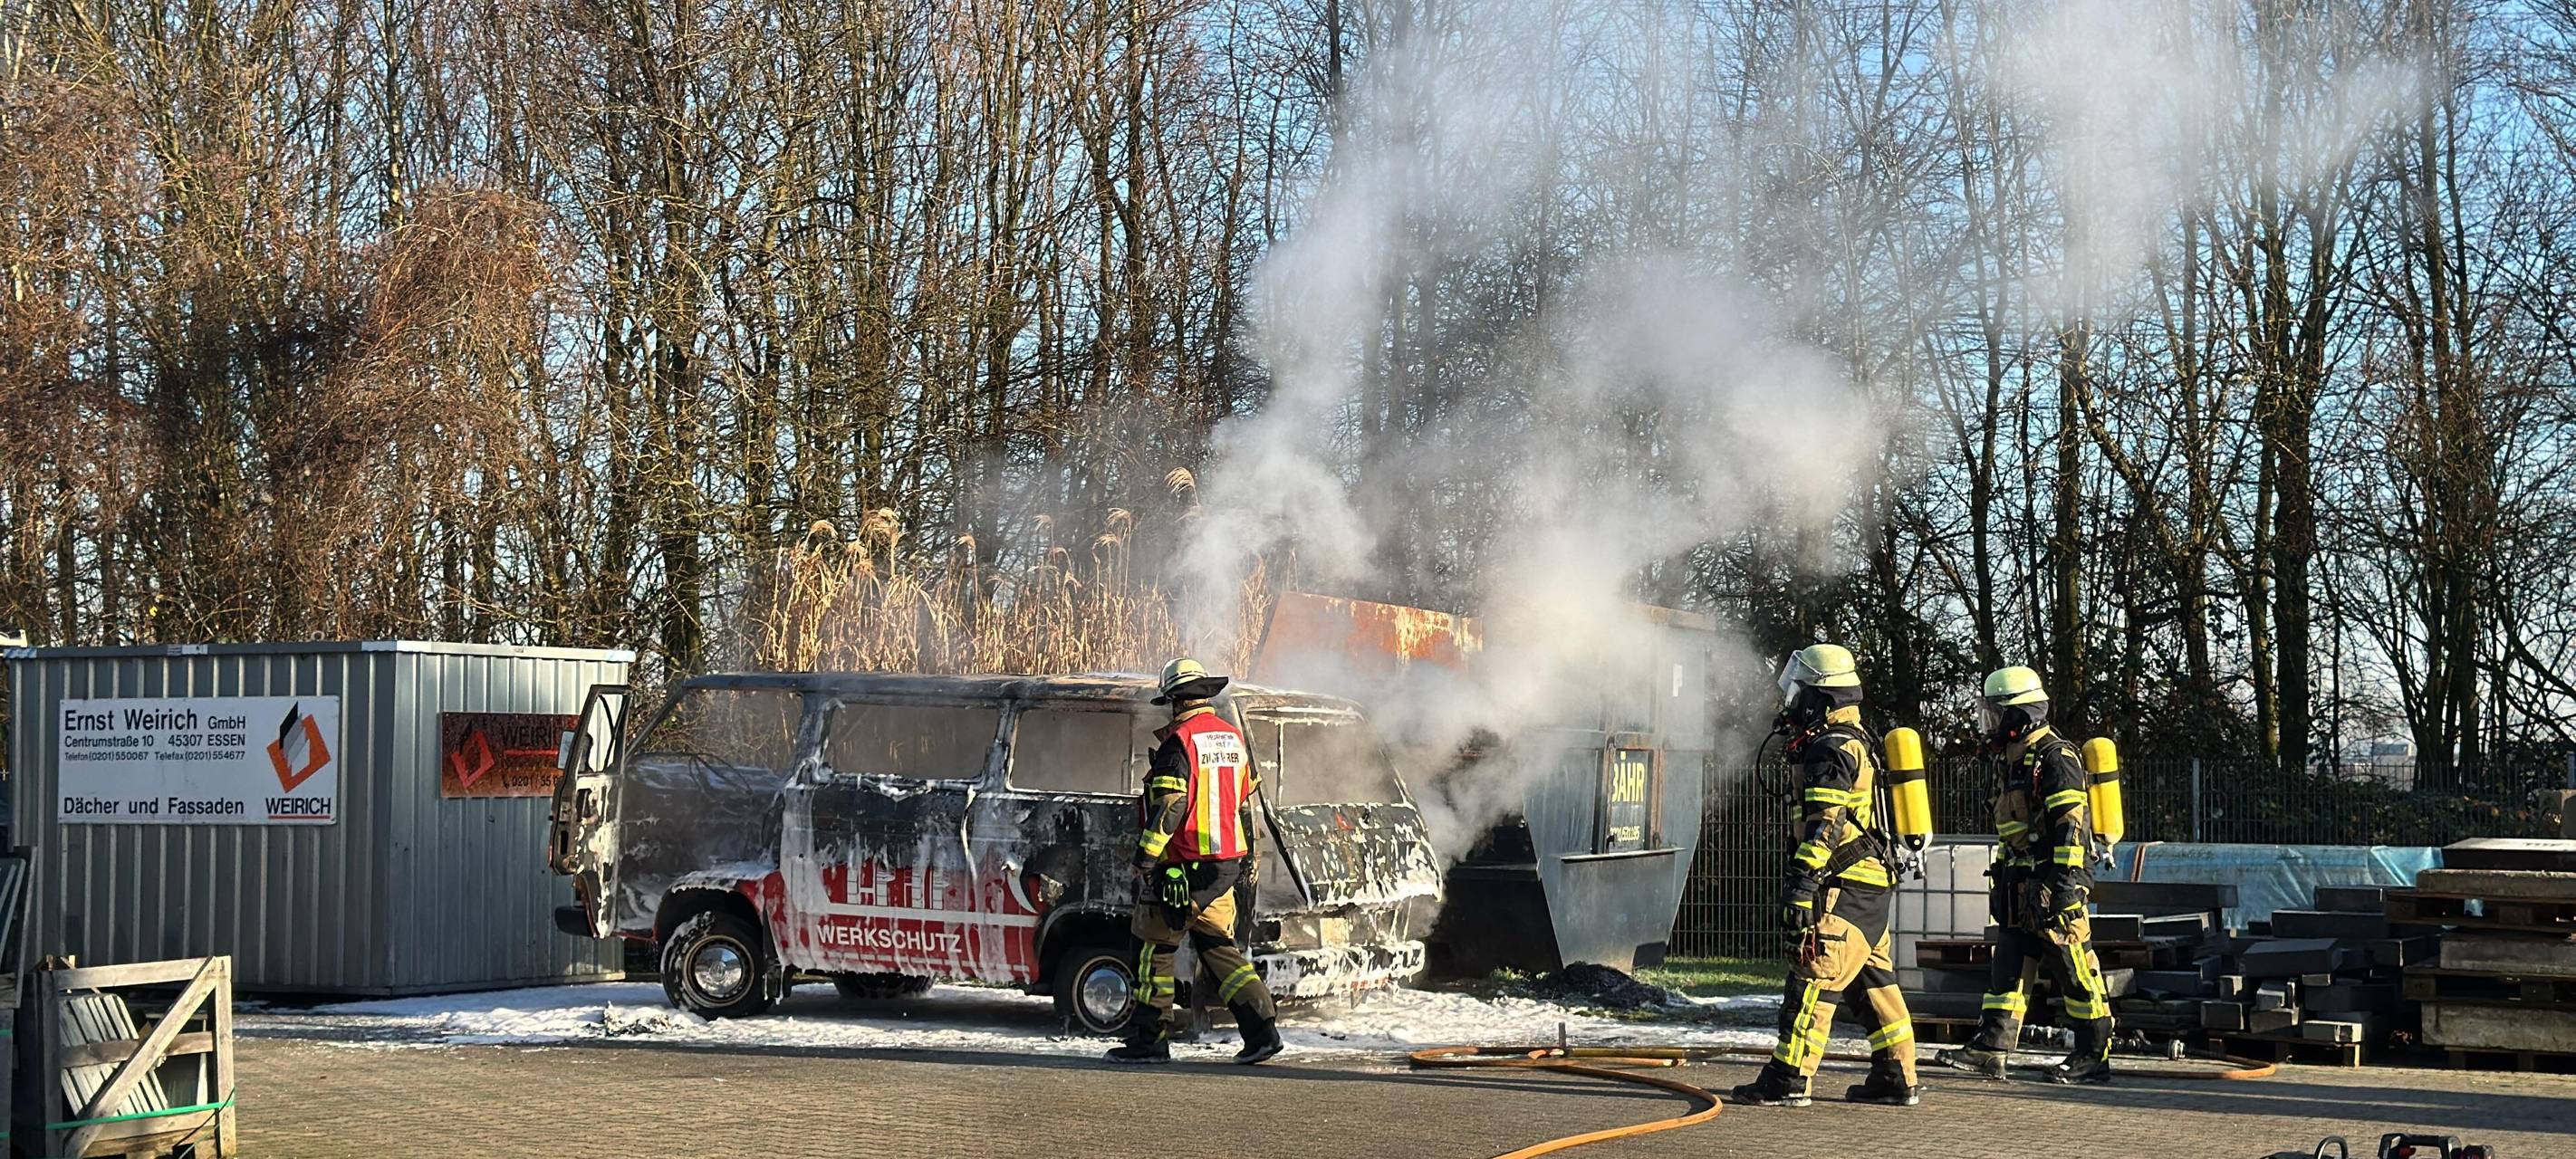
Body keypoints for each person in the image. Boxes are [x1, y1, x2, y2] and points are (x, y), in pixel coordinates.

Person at [1729, 644, 1921, 1107]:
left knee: (1813, 975)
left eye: (1799, 693)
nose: (1791, 703)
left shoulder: (1830, 749)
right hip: (1869, 886)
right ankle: (1896, 1076)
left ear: (1822, 700)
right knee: (1873, 983)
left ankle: (1790, 1077)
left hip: (1843, 886)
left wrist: (1803, 884)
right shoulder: (1857, 740)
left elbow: (1825, 824)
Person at [1932, 666, 2116, 1085]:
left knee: (2072, 965)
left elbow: (2071, 827)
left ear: (2020, 716)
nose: (1990, 724)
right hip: (2021, 882)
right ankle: (1991, 1048)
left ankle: (2094, 1053)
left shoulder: (2056, 757)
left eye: (1997, 714)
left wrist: (2064, 889)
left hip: (2054, 882)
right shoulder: (2013, 761)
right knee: (2009, 966)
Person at [1104, 657, 1283, 1065]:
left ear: (1173, 700)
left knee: (1152, 948)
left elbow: (1169, 807)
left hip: (1181, 865)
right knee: (1220, 947)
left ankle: (1149, 1042)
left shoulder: (1179, 743)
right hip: (1224, 868)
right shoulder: (1232, 738)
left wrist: (1145, 860)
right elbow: (1241, 797)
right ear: (1205, 695)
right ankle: (1262, 1034)